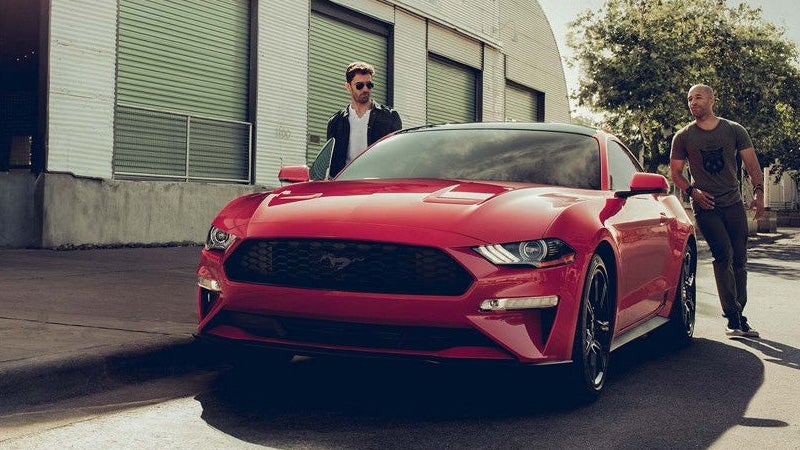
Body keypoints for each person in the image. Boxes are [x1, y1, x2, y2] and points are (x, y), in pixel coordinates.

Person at [670, 84, 765, 338]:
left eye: (698, 97)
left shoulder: (734, 130)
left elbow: (752, 164)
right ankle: (734, 319)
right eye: (689, 99)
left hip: (733, 204)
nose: (693, 102)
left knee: (740, 259)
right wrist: (694, 194)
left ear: (712, 99)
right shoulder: (683, 137)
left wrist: (758, 192)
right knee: (723, 255)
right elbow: (675, 174)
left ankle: (738, 310)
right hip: (706, 207)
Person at [326, 61, 402, 177]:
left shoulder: (390, 117)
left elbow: (398, 157)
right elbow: (330, 163)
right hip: (345, 186)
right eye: (359, 85)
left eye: (369, 85)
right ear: (348, 87)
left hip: (377, 185)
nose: (366, 89)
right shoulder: (336, 122)